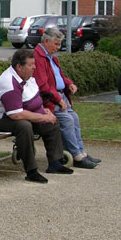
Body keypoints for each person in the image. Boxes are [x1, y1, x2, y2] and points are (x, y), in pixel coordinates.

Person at [0, 49, 73, 184]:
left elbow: (34, 101)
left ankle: (55, 163)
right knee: (24, 126)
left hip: (15, 114)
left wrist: (44, 112)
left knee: (51, 122)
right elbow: (16, 114)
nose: (34, 67)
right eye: (31, 65)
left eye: (34, 64)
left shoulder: (27, 78)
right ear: (19, 67)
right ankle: (31, 172)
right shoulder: (9, 83)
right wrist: (42, 117)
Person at [33, 27, 101, 169]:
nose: (58, 47)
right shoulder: (38, 57)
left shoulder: (52, 57)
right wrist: (58, 100)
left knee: (74, 118)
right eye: (56, 44)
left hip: (60, 94)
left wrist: (69, 83)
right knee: (67, 120)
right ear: (46, 41)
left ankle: (81, 152)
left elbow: (59, 76)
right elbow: (43, 85)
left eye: (59, 44)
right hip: (49, 99)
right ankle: (75, 155)